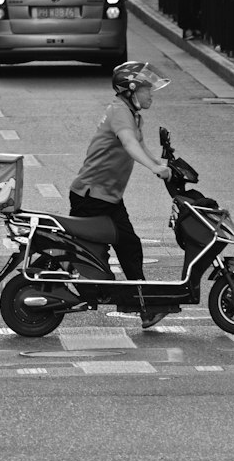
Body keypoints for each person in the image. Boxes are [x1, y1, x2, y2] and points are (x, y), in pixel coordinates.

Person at [68, 61, 173, 328]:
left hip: (108, 196)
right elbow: (128, 143)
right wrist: (154, 168)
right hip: (93, 196)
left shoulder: (132, 114)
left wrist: (162, 166)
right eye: (147, 89)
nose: (151, 95)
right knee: (117, 247)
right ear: (132, 89)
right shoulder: (119, 112)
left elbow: (140, 145)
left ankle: (143, 306)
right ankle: (142, 307)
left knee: (128, 246)